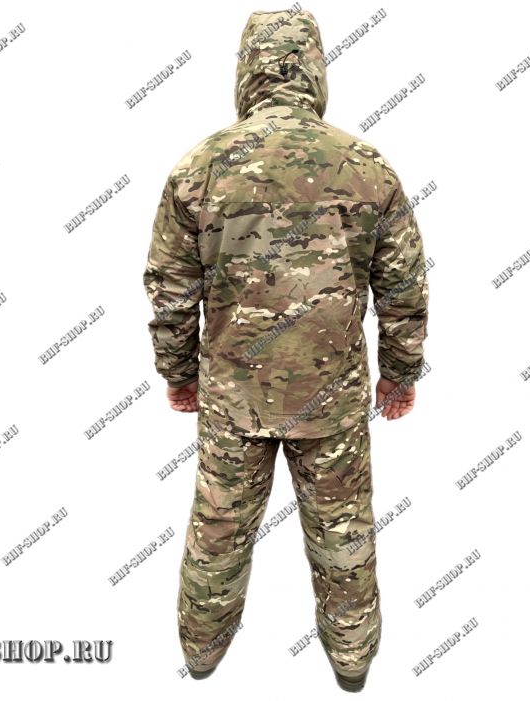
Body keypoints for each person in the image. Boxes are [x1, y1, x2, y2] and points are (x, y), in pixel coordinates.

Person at [143, 8, 429, 692]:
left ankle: (201, 656)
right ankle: (352, 664)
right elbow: (403, 285)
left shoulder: (199, 167)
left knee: (218, 534)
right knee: (344, 537)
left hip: (233, 399)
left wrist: (178, 372)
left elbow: (170, 289)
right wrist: (400, 373)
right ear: (315, 70)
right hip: (330, 401)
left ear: (246, 71)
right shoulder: (365, 166)